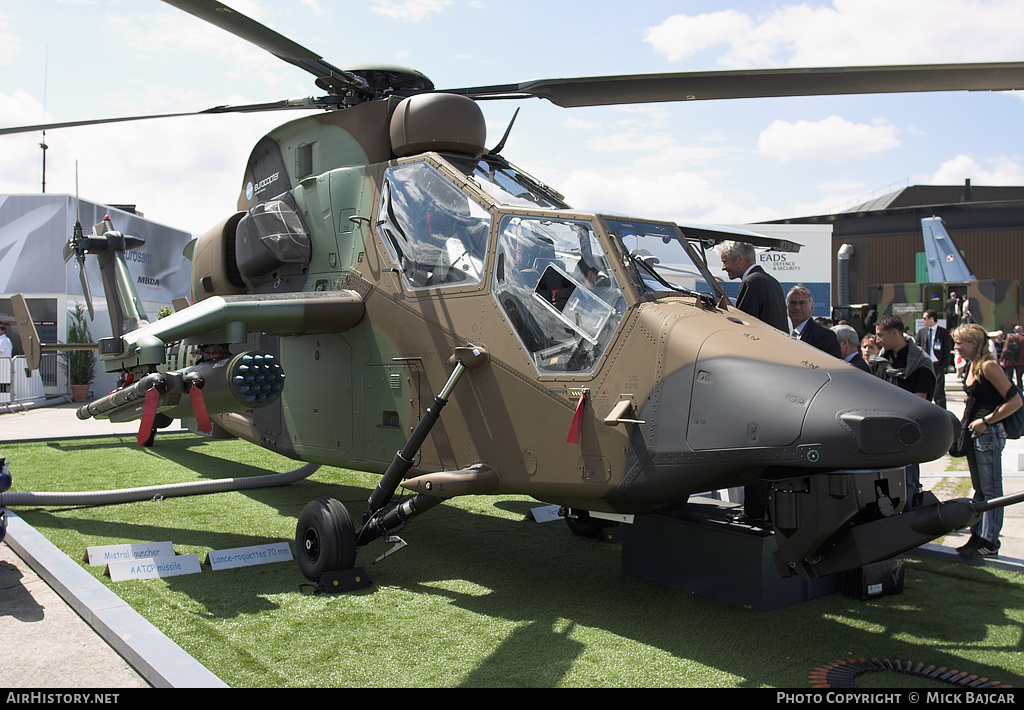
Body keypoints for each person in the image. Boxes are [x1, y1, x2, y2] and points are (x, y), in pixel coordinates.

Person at [952, 323, 1023, 558]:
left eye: (960, 343)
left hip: (988, 435)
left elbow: (1015, 401)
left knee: (991, 490)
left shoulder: (989, 366)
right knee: (980, 490)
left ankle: (989, 541)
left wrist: (987, 421)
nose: (957, 347)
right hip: (975, 435)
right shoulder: (973, 365)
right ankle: (978, 535)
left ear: (974, 343)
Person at [872, 314, 936, 509]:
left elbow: (919, 401)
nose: (877, 340)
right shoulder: (881, 362)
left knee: (908, 485)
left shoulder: (920, 364)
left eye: (881, 335)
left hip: (908, 435)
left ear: (894, 333)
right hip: (883, 436)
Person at [717, 241, 787, 332]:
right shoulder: (772, 281)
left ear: (740, 259)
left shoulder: (751, 282)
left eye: (725, 262)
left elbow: (744, 326)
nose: (723, 267)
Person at [787, 285, 841, 358]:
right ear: (787, 307)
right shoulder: (786, 333)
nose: (797, 307)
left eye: (802, 303)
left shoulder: (824, 335)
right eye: (793, 303)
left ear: (812, 307)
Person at [916, 309, 952, 408]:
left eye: (924, 318)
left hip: (937, 365)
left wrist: (944, 366)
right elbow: (917, 347)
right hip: (924, 365)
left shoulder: (943, 332)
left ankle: (942, 412)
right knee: (924, 389)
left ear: (931, 319)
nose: (923, 320)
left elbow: (947, 350)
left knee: (939, 391)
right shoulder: (921, 332)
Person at [1001, 325, 1024, 389]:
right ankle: (1020, 391)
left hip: (1010, 360)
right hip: (1020, 361)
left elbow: (1005, 349)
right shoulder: (1023, 339)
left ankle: (1009, 390)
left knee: (1009, 377)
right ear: (1021, 331)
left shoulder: (1010, 338)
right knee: (1019, 378)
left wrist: (1001, 359)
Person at [0, 326, 11, 395]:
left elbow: (0, 351)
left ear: (3, 331)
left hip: (3, 363)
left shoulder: (3, 340)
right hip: (3, 363)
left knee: (2, 381)